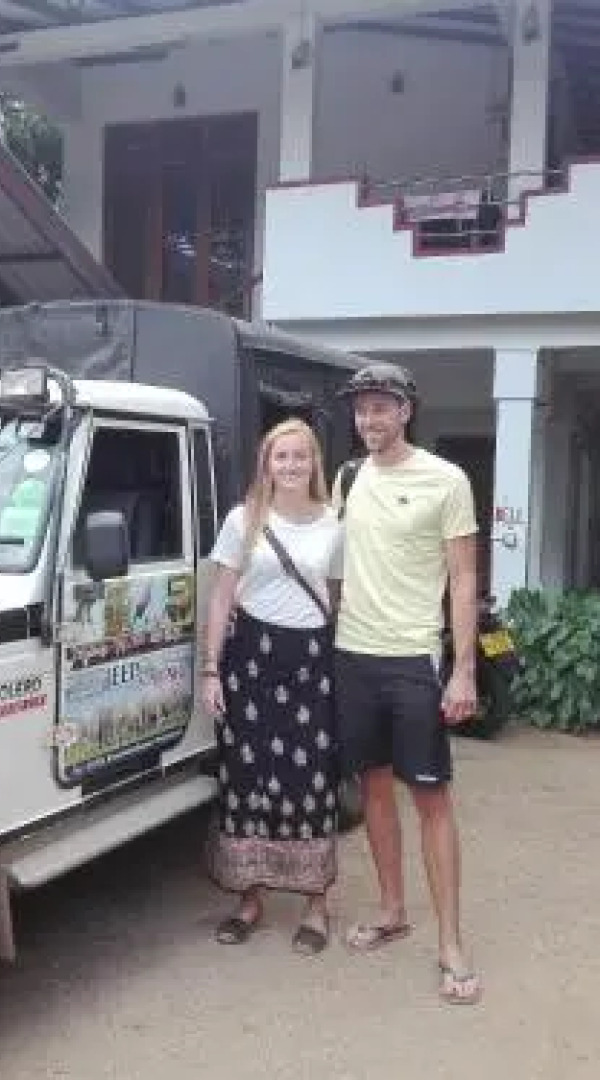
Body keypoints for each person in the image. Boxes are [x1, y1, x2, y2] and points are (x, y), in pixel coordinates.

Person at [331, 362, 483, 1005]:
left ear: (406, 411)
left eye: (380, 407)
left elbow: (464, 579)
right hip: (352, 655)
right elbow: (334, 564)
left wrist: (464, 669)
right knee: (372, 789)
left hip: (413, 660)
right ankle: (392, 909)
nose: (369, 419)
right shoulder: (347, 477)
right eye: (361, 408)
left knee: (430, 798)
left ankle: (450, 943)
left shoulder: (446, 480)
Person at [200, 418, 344, 956]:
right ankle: (250, 900)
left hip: (311, 663)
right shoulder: (243, 520)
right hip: (250, 661)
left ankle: (316, 905)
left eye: (299, 456)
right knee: (247, 776)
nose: (290, 465)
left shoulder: (333, 524)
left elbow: (337, 597)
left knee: (311, 779)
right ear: (266, 463)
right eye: (280, 456)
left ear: (314, 463)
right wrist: (211, 669)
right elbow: (221, 597)